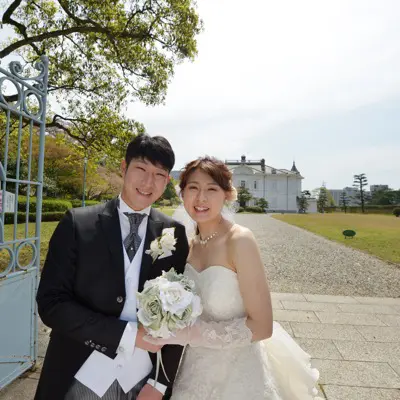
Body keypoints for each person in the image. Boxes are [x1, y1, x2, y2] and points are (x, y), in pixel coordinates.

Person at [145, 156, 322, 400]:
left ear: (227, 194)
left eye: (212, 189)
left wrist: (190, 334)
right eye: (193, 188)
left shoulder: (240, 241)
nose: (201, 198)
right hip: (193, 371)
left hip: (239, 375)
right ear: (182, 193)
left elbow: (262, 326)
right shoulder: (188, 245)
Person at [35, 135, 189, 400]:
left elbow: (180, 312)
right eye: (141, 169)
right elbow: (51, 304)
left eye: (159, 175)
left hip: (143, 379)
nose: (148, 182)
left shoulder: (174, 233)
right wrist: (126, 335)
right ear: (123, 167)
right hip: (80, 372)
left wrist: (160, 384)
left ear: (167, 181)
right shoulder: (77, 224)